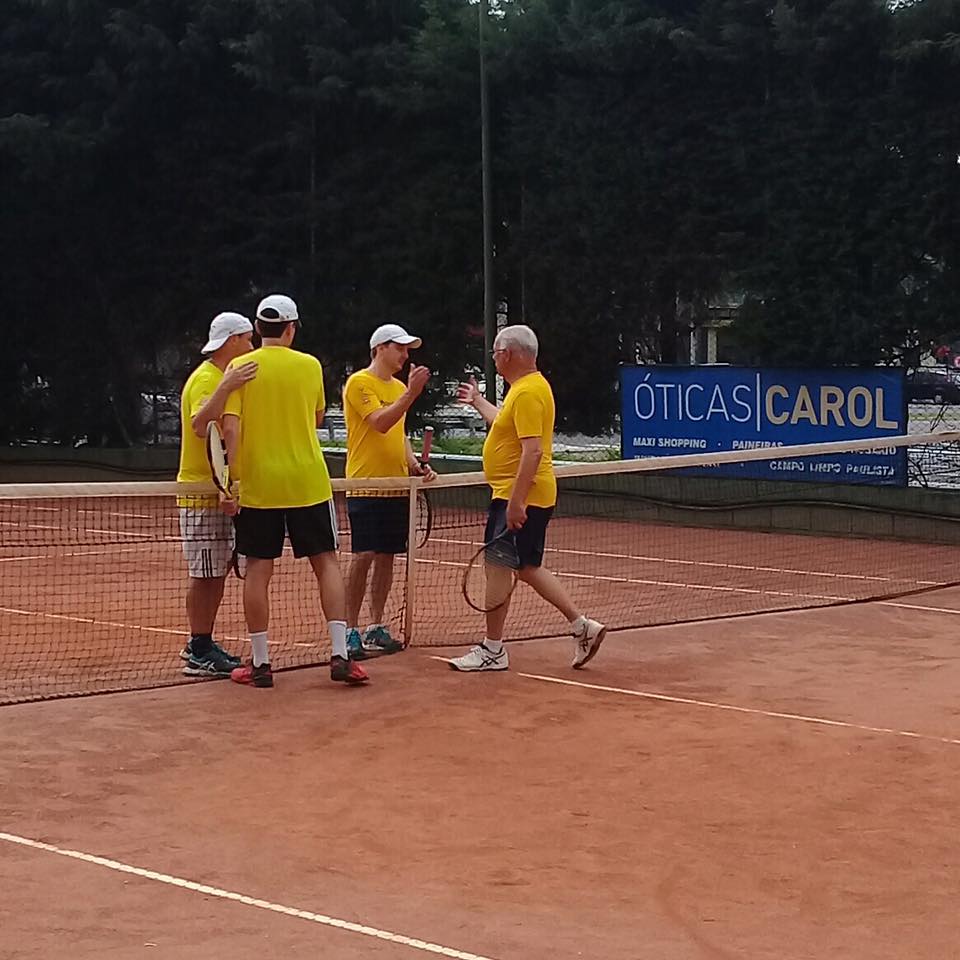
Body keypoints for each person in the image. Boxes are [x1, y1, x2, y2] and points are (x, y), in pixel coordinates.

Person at [220, 294, 368, 688]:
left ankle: (261, 663)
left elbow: (230, 427)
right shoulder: (310, 366)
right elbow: (316, 418)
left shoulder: (238, 368)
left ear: (257, 329)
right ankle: (340, 654)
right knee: (326, 563)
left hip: (258, 485)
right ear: (291, 328)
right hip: (308, 481)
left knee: (258, 569)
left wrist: (232, 481)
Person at [449, 324, 606, 672]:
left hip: (519, 495)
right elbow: (505, 425)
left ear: (507, 354)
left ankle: (493, 649)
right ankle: (582, 627)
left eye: (495, 352)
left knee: (499, 568)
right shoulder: (524, 390)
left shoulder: (528, 393)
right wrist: (478, 401)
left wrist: (516, 502)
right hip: (520, 494)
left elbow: (532, 451)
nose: (493, 358)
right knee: (526, 567)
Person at [342, 323, 436, 659]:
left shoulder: (398, 387)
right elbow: (380, 422)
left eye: (407, 349)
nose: (405, 355)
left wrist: (414, 465)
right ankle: (349, 630)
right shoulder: (359, 383)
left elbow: (399, 433)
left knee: (386, 557)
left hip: (395, 487)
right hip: (365, 486)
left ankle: (376, 626)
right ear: (380, 348)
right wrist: (411, 394)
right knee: (363, 556)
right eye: (400, 348)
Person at [176, 311, 258, 677]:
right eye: (247, 339)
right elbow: (199, 426)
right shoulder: (208, 379)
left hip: (222, 492)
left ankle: (202, 642)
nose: (252, 346)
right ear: (232, 341)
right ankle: (199, 647)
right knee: (205, 573)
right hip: (201, 493)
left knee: (215, 571)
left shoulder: (225, 378)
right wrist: (225, 387)